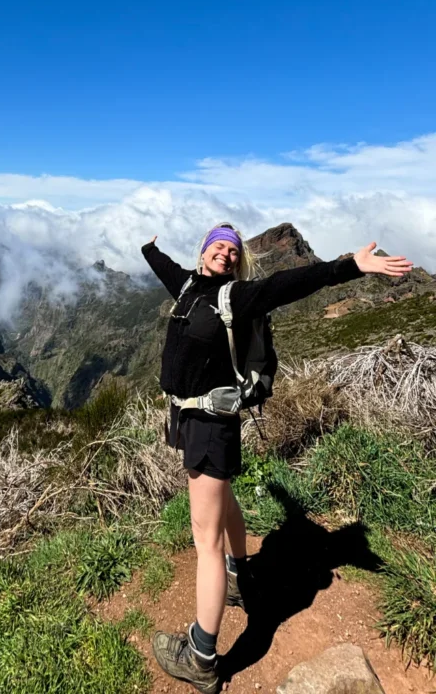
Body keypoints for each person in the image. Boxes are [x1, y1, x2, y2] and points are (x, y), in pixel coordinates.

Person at [141, 223, 413, 694]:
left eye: (231, 250)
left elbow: (291, 285)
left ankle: (201, 657)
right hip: (195, 424)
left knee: (205, 541)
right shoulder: (189, 285)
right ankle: (241, 575)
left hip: (209, 427)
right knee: (223, 502)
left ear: (238, 260)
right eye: (217, 247)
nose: (224, 254)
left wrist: (351, 265)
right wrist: (148, 247)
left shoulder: (237, 297)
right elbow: (166, 267)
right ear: (203, 252)